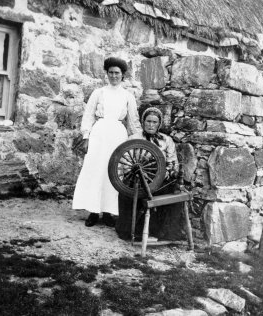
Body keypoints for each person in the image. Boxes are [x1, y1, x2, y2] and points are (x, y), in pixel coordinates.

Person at [72, 57, 142, 227]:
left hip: (117, 135)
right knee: (96, 170)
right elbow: (88, 115)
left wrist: (137, 141)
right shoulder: (99, 93)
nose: (113, 76)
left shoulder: (128, 96)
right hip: (99, 134)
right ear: (107, 74)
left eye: (117, 73)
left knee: (114, 171)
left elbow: (133, 121)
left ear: (122, 75)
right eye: (110, 72)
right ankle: (94, 211)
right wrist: (86, 136)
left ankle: (110, 212)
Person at [116, 107, 186, 241]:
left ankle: (164, 232)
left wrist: (169, 173)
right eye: (148, 121)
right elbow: (124, 160)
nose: (151, 125)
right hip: (137, 179)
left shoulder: (167, 140)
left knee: (173, 192)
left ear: (159, 124)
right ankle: (134, 232)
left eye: (154, 122)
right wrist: (131, 173)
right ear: (143, 122)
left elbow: (172, 162)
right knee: (127, 193)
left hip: (160, 180)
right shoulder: (134, 138)